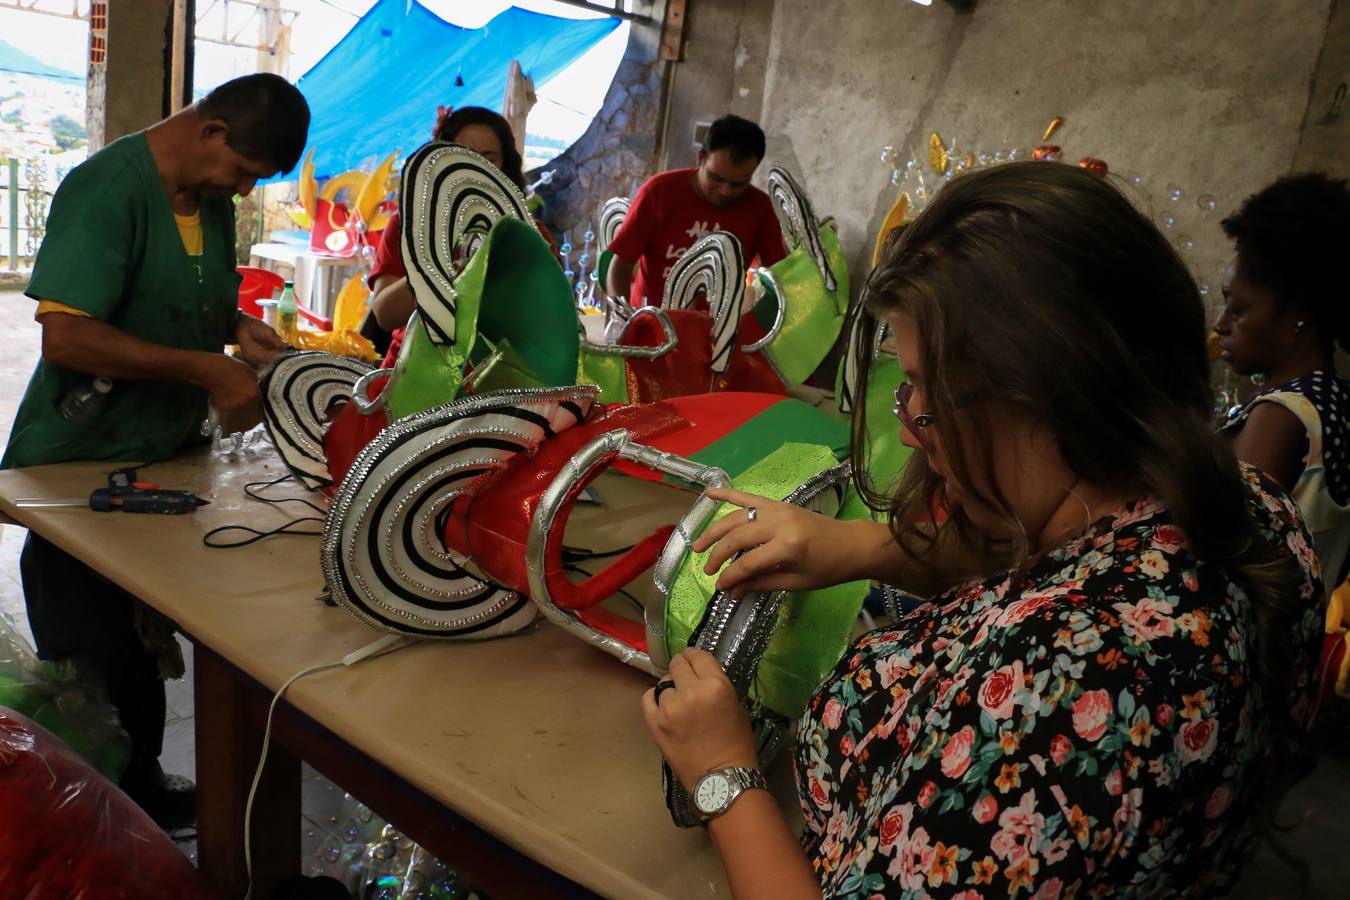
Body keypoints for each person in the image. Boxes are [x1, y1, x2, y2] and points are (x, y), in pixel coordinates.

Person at [643, 162, 1323, 897]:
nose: (909, 435)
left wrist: (723, 777)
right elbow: (1064, 558)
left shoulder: (1058, 693)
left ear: (1045, 397)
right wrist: (865, 547)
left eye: (929, 399)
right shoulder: (1251, 508)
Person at [2, 72, 307, 827]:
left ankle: (138, 787)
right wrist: (203, 367)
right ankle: (88, 818)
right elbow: (67, 334)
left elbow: (182, 287)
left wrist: (233, 329)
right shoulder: (107, 189)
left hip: (157, 457)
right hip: (79, 458)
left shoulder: (204, 201)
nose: (240, 192)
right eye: (242, 172)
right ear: (210, 132)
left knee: (142, 650)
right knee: (92, 658)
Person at [1216, 173, 1350, 588]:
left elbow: (1224, 549)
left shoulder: (1282, 415)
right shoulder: (1333, 397)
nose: (1221, 325)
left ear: (1298, 317)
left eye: (1238, 312)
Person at [367, 105, 557, 363]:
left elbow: (553, 321)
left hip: (502, 381)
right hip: (412, 375)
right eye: (462, 156)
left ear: (505, 168)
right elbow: (385, 315)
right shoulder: (407, 225)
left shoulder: (528, 233)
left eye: (489, 159)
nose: (474, 169)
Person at [605, 114, 788, 307]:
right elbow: (620, 266)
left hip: (719, 332)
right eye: (716, 179)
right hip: (651, 325)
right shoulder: (659, 192)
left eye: (738, 185)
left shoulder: (761, 209)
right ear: (700, 158)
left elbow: (780, 277)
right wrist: (623, 318)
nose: (725, 191)